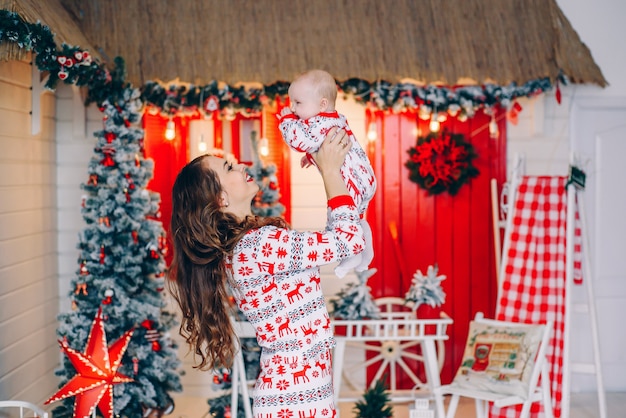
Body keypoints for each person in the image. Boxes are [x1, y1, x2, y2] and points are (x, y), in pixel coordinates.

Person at [168, 128, 364, 417]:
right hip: (295, 398)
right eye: (229, 168)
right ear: (220, 198)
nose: (242, 165)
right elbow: (349, 241)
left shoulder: (250, 246)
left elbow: (336, 241)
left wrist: (327, 168)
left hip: (299, 392)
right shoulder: (259, 245)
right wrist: (331, 173)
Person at [278, 69, 376, 278]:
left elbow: (298, 140)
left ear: (322, 104)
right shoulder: (334, 119)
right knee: (356, 217)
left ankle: (351, 255)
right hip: (363, 180)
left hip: (351, 183)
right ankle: (365, 254)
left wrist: (286, 122)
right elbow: (320, 145)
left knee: (337, 217)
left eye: (297, 103)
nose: (292, 108)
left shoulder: (319, 122)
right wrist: (311, 156)